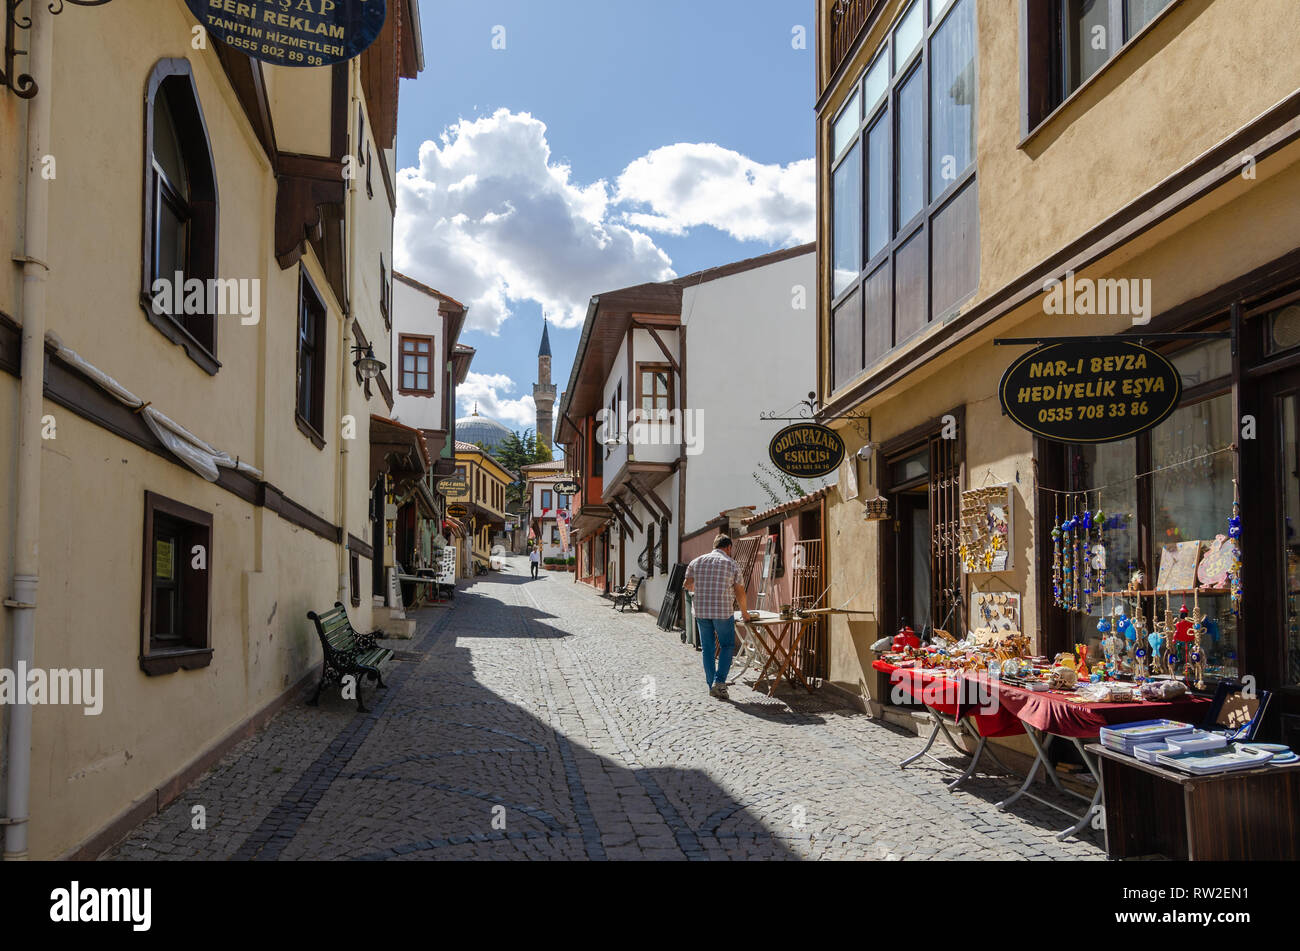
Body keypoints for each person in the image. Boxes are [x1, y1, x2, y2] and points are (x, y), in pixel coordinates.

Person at [683, 534, 753, 700]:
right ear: (728, 547)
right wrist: (745, 612)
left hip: (701, 611)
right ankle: (719, 682)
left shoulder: (697, 561)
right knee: (727, 645)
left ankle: (711, 684)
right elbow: (739, 592)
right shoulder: (731, 564)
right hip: (722, 612)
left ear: (714, 546)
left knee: (707, 648)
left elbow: (687, 584)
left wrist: (699, 590)